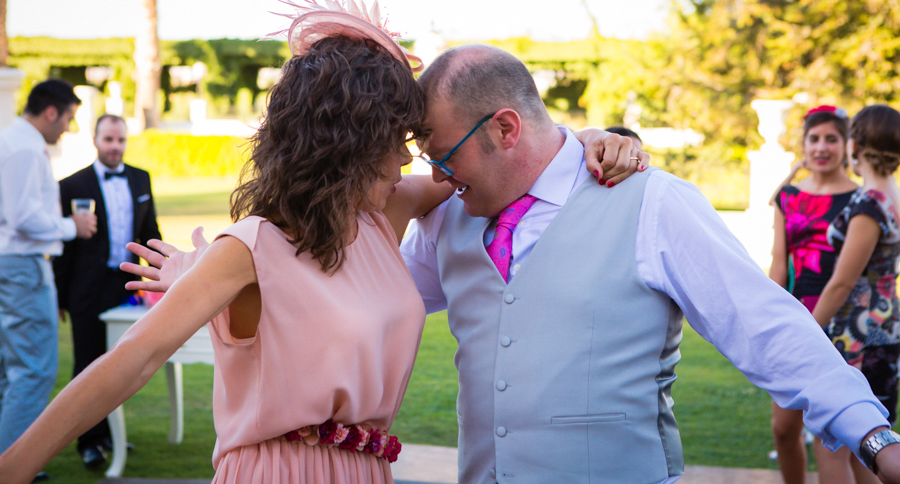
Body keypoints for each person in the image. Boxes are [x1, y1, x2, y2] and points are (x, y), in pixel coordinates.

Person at [120, 43, 900, 483]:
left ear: (502, 129)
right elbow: (340, 292)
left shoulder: (652, 202)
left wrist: (874, 438)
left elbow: (767, 327)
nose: (434, 176)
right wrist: (221, 275)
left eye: (443, 155)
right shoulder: (452, 222)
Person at [0, 0, 643, 484]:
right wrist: (15, 467)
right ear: (349, 143)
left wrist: (593, 141)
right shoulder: (250, 248)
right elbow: (127, 364)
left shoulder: (386, 214)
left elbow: (518, 158)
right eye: (397, 142)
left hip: (367, 469)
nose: (409, 161)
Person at [0, 79, 97, 480]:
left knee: (11, 371)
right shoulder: (24, 147)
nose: (68, 128)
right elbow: (23, 217)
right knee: (35, 370)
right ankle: (12, 468)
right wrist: (72, 227)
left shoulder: (11, 139)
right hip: (22, 266)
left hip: (10, 265)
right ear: (52, 111)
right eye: (69, 118)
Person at [53, 113, 161, 468]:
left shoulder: (140, 178)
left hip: (126, 287)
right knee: (87, 365)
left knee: (122, 366)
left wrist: (162, 280)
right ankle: (88, 440)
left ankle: (111, 434)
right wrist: (60, 297)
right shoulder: (71, 185)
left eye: (120, 140)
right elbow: (62, 249)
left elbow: (150, 232)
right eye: (108, 140)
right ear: (96, 140)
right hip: (86, 289)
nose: (115, 147)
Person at [807, 105, 900, 484]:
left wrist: (809, 329)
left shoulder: (869, 203)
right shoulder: (892, 194)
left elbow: (843, 282)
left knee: (832, 441)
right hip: (885, 327)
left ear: (855, 143)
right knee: (872, 445)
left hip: (855, 334)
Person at [768, 106, 859, 484]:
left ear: (846, 144)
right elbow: (778, 264)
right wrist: (766, 323)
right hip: (794, 318)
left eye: (831, 139)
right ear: (804, 145)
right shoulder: (787, 197)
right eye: (815, 139)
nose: (822, 147)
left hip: (845, 321)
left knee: (837, 437)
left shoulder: (862, 199)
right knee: (783, 428)